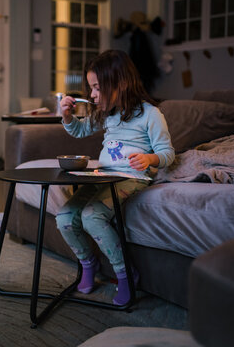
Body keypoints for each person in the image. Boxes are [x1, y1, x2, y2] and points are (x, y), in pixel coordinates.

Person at [55, 49, 175, 305]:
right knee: (64, 216)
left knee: (91, 216)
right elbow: (78, 131)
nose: (93, 95)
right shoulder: (107, 113)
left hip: (132, 178)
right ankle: (88, 264)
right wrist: (66, 116)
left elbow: (167, 153)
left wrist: (150, 159)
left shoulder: (151, 114)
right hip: (103, 176)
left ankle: (125, 275)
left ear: (120, 83)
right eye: (91, 88)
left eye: (98, 88)